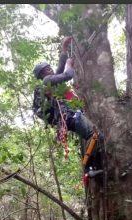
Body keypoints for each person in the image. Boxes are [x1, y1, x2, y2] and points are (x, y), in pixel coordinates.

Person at [33, 37, 103, 174]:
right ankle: (89, 168)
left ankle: (95, 167)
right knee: (94, 134)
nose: (51, 70)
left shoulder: (50, 82)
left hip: (66, 118)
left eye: (49, 67)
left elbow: (59, 68)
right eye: (47, 69)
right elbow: (67, 74)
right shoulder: (47, 80)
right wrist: (70, 64)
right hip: (69, 116)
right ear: (42, 74)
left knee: (96, 136)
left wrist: (64, 48)